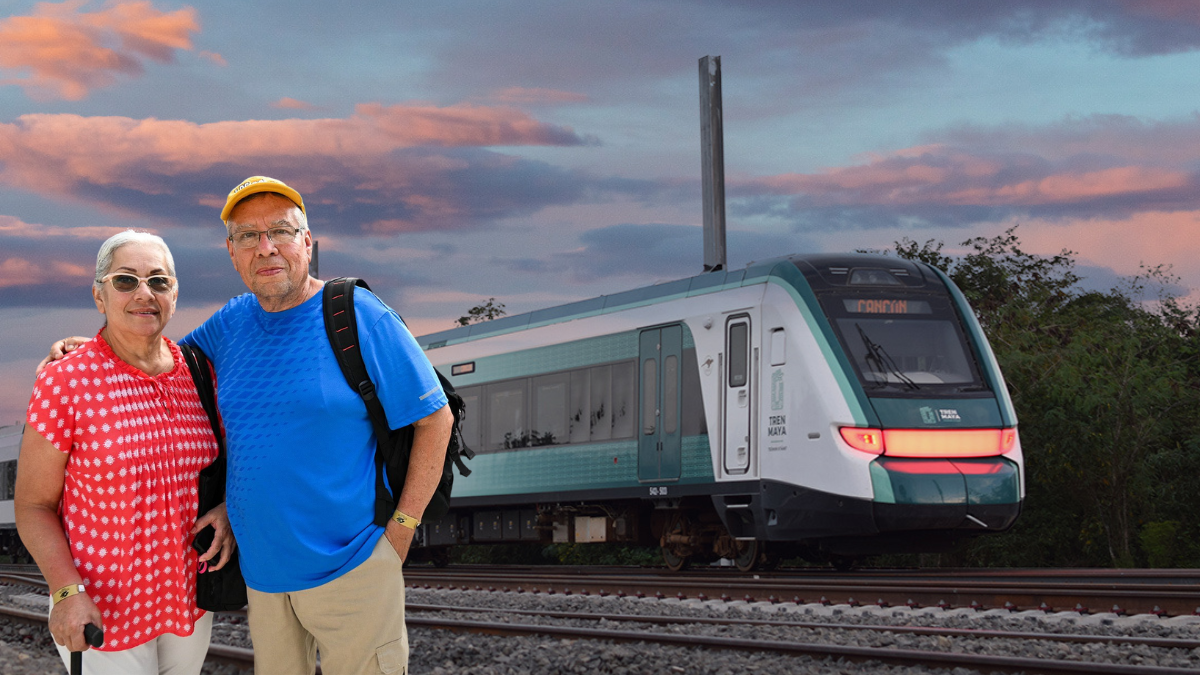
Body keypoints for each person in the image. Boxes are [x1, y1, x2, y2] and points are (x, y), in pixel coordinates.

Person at [47, 176, 454, 675]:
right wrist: (89, 351)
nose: (266, 248)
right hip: (265, 579)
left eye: (281, 231)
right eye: (247, 236)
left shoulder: (358, 315)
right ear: (232, 253)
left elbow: (436, 416)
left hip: (354, 567)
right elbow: (152, 353)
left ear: (308, 242)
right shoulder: (231, 323)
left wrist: (401, 533)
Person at [17, 231, 236, 675]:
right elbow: (33, 505)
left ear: (174, 294)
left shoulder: (199, 373)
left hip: (186, 602)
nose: (144, 293)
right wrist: (66, 592)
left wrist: (229, 508)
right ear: (99, 296)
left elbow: (228, 465)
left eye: (158, 281)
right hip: (103, 608)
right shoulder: (66, 381)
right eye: (125, 281)